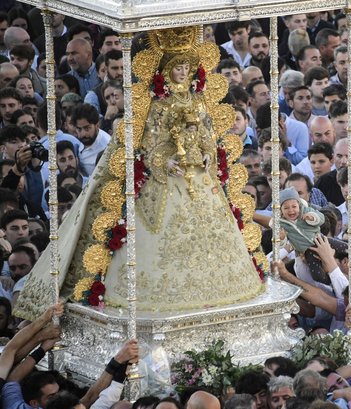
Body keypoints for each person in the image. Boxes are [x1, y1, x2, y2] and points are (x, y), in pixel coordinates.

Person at [15, 27, 265, 319]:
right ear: (167, 71)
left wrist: (208, 152)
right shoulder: (158, 103)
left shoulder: (198, 100)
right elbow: (151, 141)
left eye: (187, 67)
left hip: (199, 172)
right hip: (167, 178)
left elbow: (208, 133)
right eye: (178, 67)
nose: (183, 72)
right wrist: (164, 161)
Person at [278, 187, 351, 284]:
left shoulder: (306, 211)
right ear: (281, 210)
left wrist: (312, 218)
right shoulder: (282, 224)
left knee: (344, 247)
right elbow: (284, 243)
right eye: (286, 208)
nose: (291, 210)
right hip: (306, 251)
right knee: (317, 275)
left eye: (294, 206)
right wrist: (282, 239)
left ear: (299, 205)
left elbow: (321, 218)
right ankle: (332, 281)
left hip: (320, 239)